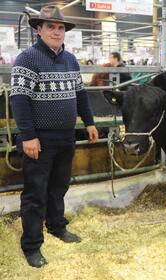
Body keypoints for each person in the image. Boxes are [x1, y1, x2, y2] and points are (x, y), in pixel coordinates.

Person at [10, 5, 98, 268]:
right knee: (36, 193)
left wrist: (90, 122)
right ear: (39, 29)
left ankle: (57, 226)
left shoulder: (70, 60)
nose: (57, 32)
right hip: (40, 139)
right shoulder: (27, 59)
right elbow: (19, 100)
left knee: (59, 187)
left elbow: (81, 94)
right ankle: (32, 245)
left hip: (66, 137)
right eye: (51, 27)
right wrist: (28, 137)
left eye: (60, 28)